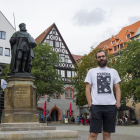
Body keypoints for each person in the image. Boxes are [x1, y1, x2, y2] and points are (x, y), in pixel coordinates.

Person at [85, 50, 121, 140]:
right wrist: (90, 105)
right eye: (99, 57)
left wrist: (117, 104)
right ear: (96, 59)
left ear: (106, 57)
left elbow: (118, 89)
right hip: (96, 107)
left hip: (111, 106)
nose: (101, 58)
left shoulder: (113, 71)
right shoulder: (91, 71)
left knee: (107, 135)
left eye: (103, 56)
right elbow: (87, 89)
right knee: (93, 134)